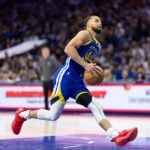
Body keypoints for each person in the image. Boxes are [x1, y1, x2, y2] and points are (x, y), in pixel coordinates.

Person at [11, 16, 138, 147]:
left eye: (100, 21)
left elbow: (85, 63)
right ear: (87, 24)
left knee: (94, 105)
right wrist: (85, 65)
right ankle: (23, 114)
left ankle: (115, 135)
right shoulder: (85, 34)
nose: (99, 23)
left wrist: (92, 71)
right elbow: (68, 48)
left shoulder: (98, 45)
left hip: (77, 80)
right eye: (96, 20)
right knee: (53, 115)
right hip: (65, 76)